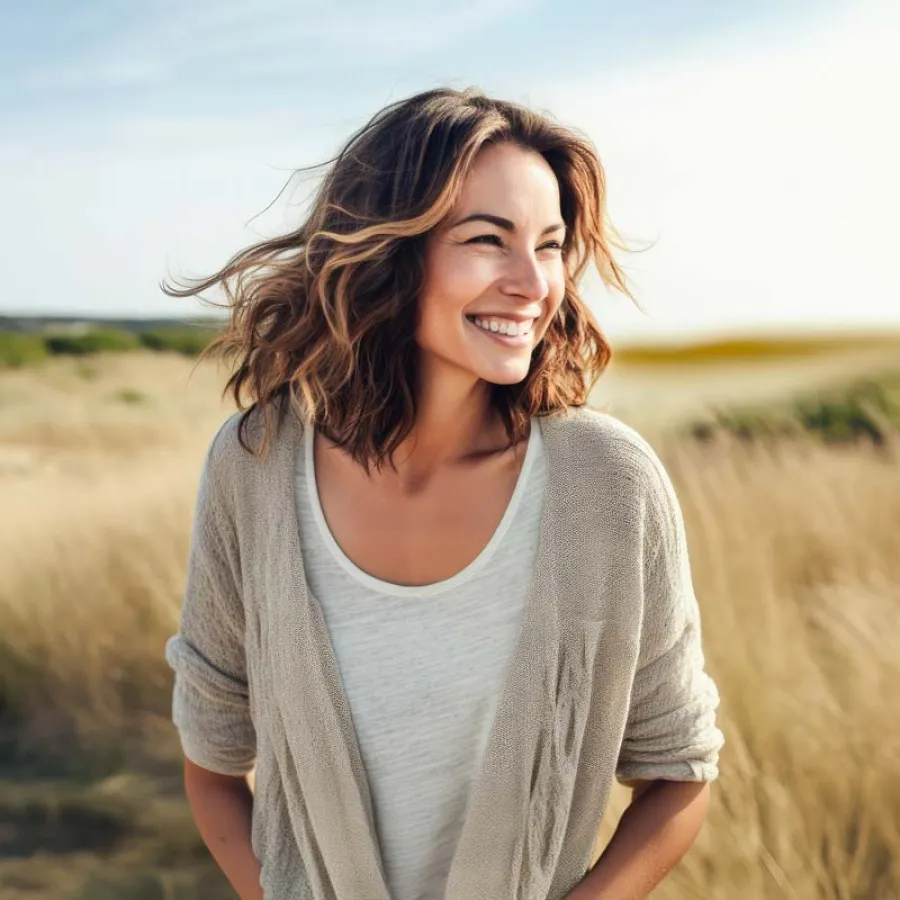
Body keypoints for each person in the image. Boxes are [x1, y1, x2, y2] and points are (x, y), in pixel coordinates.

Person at [162, 85, 725, 900]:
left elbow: (679, 771)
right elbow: (213, 764)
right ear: (390, 252)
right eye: (488, 239)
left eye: (550, 246)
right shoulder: (255, 465)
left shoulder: (609, 484)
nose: (533, 283)